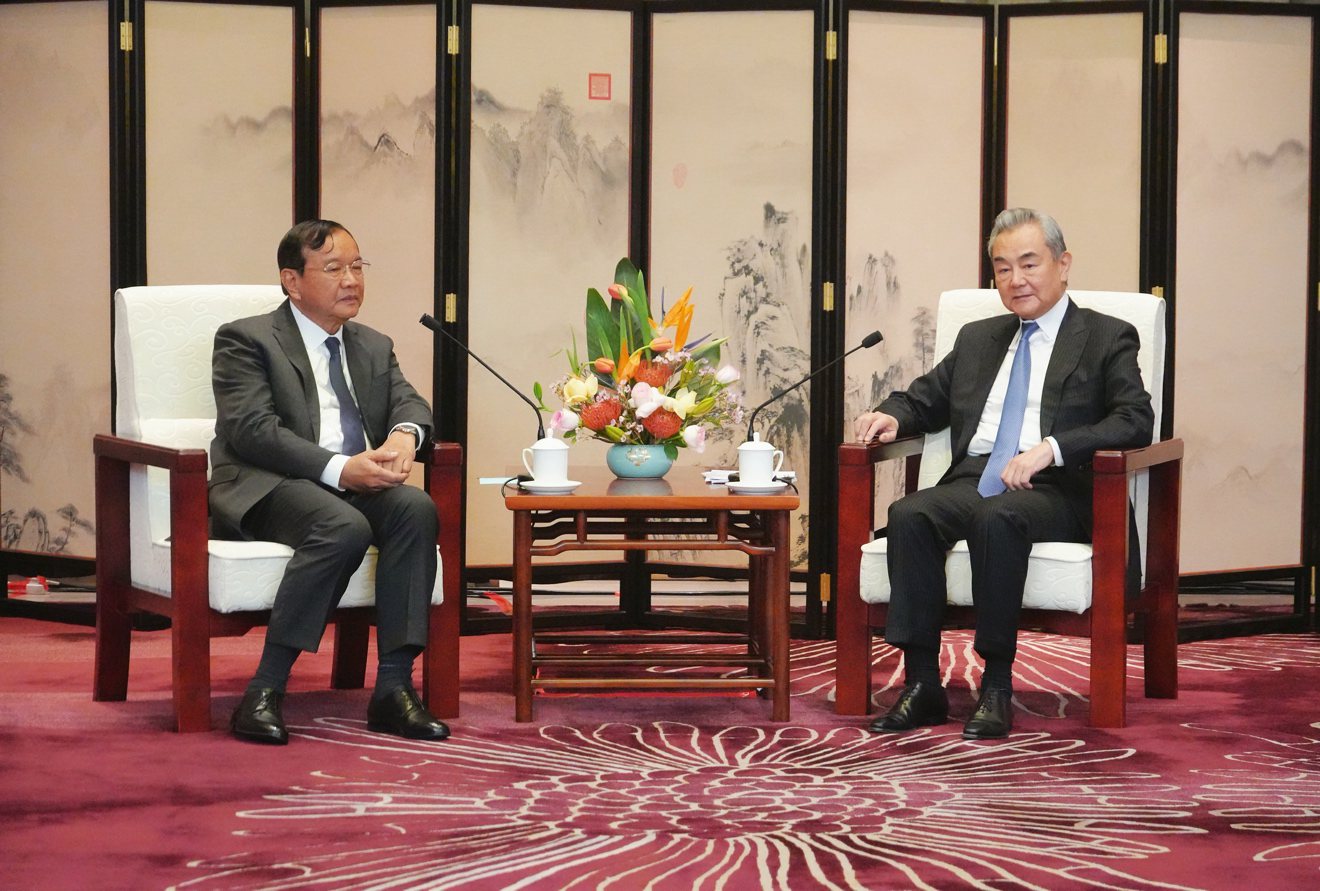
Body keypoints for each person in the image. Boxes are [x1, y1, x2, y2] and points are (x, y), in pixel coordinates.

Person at [853, 208, 1153, 740]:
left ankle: (995, 685)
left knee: (999, 516)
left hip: (1062, 488)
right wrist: (891, 415)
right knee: (910, 514)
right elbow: (924, 400)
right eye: (1002, 268)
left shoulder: (1107, 337)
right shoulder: (979, 338)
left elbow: (1134, 420)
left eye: (1029, 264)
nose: (1016, 280)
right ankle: (922, 684)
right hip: (980, 476)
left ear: (1063, 265)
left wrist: (1053, 448)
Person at [209, 219, 450, 745]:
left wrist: (406, 436)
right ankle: (265, 690)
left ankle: (393, 689)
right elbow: (252, 431)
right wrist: (340, 469)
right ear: (292, 281)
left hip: (352, 481)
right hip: (272, 484)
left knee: (415, 509)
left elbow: (410, 402)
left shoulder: (371, 344)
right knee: (342, 525)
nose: (352, 280)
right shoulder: (246, 339)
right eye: (335, 268)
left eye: (358, 266)